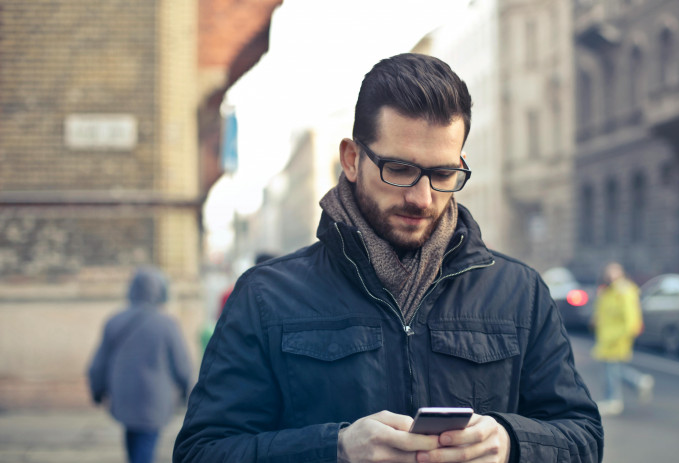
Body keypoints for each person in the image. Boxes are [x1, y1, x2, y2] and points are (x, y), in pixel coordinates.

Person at [173, 53, 602, 462]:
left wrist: (511, 444)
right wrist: (335, 450)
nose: (422, 197)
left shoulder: (520, 292)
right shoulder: (265, 295)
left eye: (442, 174)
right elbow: (201, 452)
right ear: (352, 159)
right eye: (399, 169)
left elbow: (583, 437)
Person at [88, 266, 193, 463]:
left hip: (124, 396)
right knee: (145, 446)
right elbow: (182, 364)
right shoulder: (167, 324)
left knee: (133, 439)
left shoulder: (115, 321)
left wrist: (97, 389)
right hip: (154, 399)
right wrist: (188, 391)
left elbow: (98, 363)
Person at [591, 262, 654, 416]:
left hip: (617, 337)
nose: (611, 275)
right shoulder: (608, 291)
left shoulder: (624, 291)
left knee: (610, 370)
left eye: (614, 272)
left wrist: (623, 334)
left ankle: (613, 399)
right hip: (606, 336)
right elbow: (602, 312)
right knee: (612, 369)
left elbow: (631, 319)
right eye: (609, 272)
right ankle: (639, 381)